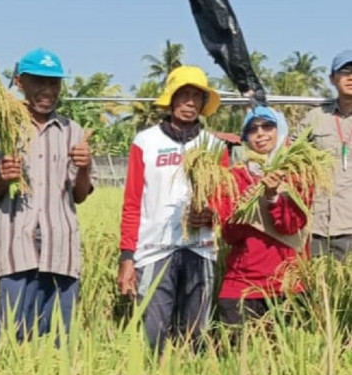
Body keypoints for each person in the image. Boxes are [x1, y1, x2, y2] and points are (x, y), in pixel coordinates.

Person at [0, 48, 96, 341]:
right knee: (10, 339)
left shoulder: (72, 131)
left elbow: (79, 196)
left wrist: (84, 167)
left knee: (56, 344)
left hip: (60, 251)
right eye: (38, 82)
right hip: (14, 250)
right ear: (19, 81)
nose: (47, 90)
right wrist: (3, 180)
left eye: (54, 83)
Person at [117, 65, 226, 353]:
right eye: (183, 95)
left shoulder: (214, 146)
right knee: (153, 337)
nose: (190, 102)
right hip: (154, 249)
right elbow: (132, 203)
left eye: (196, 96)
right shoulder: (146, 142)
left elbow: (226, 199)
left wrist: (212, 213)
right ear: (171, 98)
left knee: (195, 335)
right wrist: (127, 256)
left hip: (200, 248)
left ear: (203, 103)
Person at [213, 106, 308, 325]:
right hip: (242, 282)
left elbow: (292, 226)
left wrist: (273, 197)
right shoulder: (235, 177)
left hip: (287, 283)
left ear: (281, 131)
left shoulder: (298, 173)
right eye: (252, 129)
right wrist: (246, 207)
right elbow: (230, 235)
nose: (260, 133)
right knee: (238, 355)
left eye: (268, 126)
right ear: (245, 137)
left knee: (289, 355)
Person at [300, 50, 352, 260]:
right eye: (345, 71)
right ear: (332, 79)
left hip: (350, 224)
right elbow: (291, 162)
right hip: (317, 226)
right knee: (315, 290)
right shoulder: (315, 118)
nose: (351, 77)